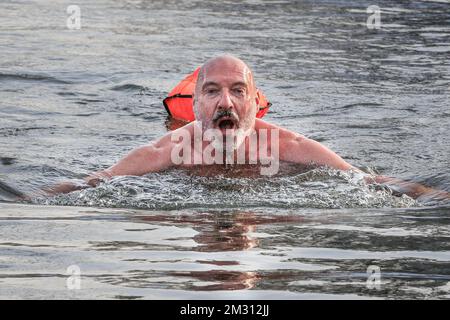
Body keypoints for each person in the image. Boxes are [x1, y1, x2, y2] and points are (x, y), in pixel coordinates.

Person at [41, 55, 448, 201]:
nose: (225, 102)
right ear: (196, 103)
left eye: (238, 91)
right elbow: (92, 183)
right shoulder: (165, 150)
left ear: (255, 103)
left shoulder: (288, 145)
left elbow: (368, 181)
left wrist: (432, 195)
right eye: (213, 91)